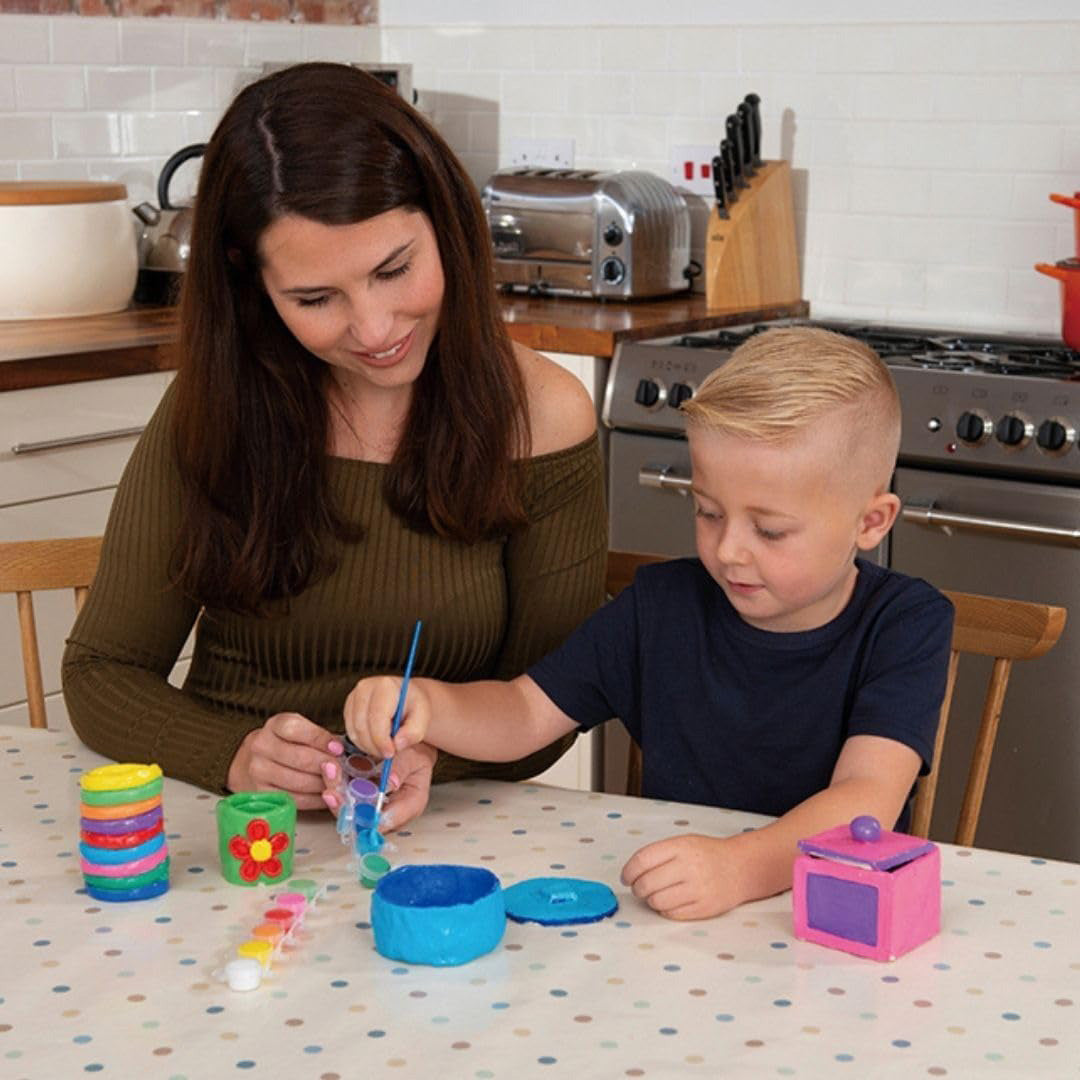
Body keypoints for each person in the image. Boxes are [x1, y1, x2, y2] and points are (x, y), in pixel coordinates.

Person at [62, 61, 606, 830]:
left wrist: (431, 755)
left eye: (395, 269)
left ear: (446, 227)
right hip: (240, 831)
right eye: (316, 299)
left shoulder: (543, 416)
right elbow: (101, 673)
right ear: (252, 284)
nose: (376, 329)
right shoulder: (216, 407)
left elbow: (551, 700)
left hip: (445, 833)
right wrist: (233, 753)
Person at [342, 326, 955, 920]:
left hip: (824, 921)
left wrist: (739, 868)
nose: (730, 551)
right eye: (708, 512)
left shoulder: (905, 625)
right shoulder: (660, 608)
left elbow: (866, 797)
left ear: (871, 523)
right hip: (675, 914)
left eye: (770, 530)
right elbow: (524, 712)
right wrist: (428, 704)